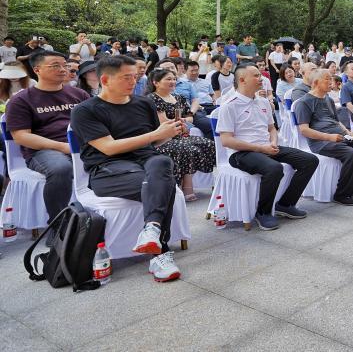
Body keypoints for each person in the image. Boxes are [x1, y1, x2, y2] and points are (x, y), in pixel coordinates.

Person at [69, 55, 184, 281]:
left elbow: (152, 143)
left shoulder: (144, 103)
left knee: (162, 163)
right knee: (163, 184)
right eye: (126, 77)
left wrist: (168, 134)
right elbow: (109, 148)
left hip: (147, 163)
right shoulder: (85, 110)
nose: (133, 81)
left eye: (135, 75)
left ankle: (151, 229)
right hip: (108, 170)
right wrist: (155, 134)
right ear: (105, 79)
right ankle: (160, 253)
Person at [216, 65, 319, 230]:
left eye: (260, 75)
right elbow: (227, 140)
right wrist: (261, 148)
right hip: (242, 153)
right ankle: (263, 212)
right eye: (256, 76)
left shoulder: (263, 101)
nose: (262, 79)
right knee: (274, 168)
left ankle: (286, 204)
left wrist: (273, 141)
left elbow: (272, 128)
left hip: (268, 147)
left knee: (310, 160)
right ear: (242, 80)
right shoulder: (229, 105)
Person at [6, 51, 90, 223]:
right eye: (55, 66)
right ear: (37, 70)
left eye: (65, 65)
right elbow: (21, 137)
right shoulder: (21, 100)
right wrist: (63, 147)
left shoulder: (79, 95)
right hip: (43, 151)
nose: (63, 69)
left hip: (82, 144)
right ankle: (58, 226)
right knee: (61, 169)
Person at [294, 69, 353, 205]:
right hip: (321, 142)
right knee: (351, 154)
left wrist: (348, 132)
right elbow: (304, 130)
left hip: (340, 136)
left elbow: (336, 121)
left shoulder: (328, 99)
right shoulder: (304, 102)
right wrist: (329, 137)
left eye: (331, 79)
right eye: (327, 79)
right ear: (316, 83)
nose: (331, 82)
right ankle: (342, 194)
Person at [147, 69, 216, 201]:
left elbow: (189, 118)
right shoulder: (152, 98)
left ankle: (210, 184)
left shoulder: (178, 97)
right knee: (185, 147)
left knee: (208, 143)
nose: (172, 81)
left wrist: (184, 122)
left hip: (180, 133)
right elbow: (163, 122)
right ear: (156, 82)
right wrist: (182, 122)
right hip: (162, 138)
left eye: (174, 79)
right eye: (168, 79)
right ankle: (185, 187)